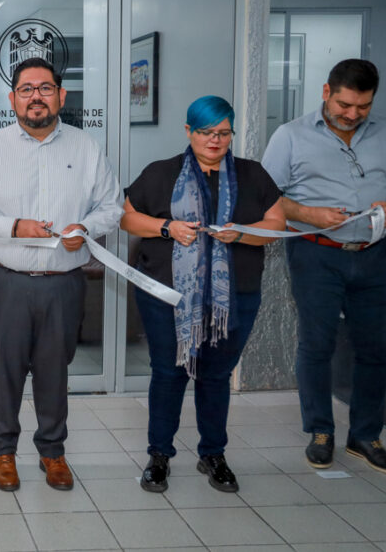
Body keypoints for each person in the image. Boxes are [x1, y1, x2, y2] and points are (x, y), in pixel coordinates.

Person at [0, 57, 123, 492]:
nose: (36, 98)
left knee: (54, 370)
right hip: (8, 279)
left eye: (45, 88)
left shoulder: (86, 148)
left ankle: (52, 451)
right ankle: (3, 452)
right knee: (6, 367)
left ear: (61, 96)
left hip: (64, 281)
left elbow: (112, 208)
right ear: (12, 99)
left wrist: (85, 229)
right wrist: (13, 227)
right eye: (26, 89)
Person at [262, 59, 386, 476]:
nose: (352, 114)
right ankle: (320, 432)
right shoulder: (291, 136)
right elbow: (264, 196)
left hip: (374, 256)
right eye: (344, 104)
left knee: (376, 348)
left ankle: (365, 436)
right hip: (316, 253)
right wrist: (307, 213)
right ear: (326, 92)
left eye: (363, 107)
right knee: (317, 345)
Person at [121, 96, 285, 493]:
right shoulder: (160, 173)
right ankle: (159, 456)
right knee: (168, 373)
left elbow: (276, 223)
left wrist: (242, 233)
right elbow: (126, 217)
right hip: (168, 297)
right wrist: (166, 227)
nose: (215, 140)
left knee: (215, 376)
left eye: (223, 132)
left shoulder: (253, 175)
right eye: (206, 132)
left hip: (236, 297)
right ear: (188, 132)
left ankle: (213, 453)